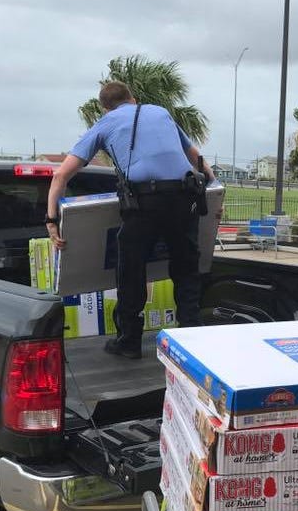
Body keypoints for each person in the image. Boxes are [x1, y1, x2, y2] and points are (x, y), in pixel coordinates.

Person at [46, 81, 215, 359]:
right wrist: (214, 189)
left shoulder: (104, 124)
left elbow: (60, 176)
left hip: (144, 203)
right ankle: (191, 336)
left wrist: (52, 220)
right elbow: (197, 158)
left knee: (131, 269)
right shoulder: (161, 112)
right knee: (186, 268)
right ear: (133, 99)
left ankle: (129, 341)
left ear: (105, 107)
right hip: (184, 197)